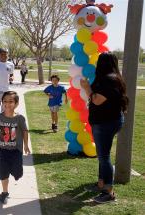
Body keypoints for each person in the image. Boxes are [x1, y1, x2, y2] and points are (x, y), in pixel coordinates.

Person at [80, 52, 128, 204]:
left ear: (102, 63)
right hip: (106, 121)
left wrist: (87, 87)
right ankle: (101, 184)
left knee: (104, 157)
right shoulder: (112, 78)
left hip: (106, 123)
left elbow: (97, 100)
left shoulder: (109, 80)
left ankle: (109, 192)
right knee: (102, 154)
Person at [0, 91, 30, 204]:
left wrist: (26, 145)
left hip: (16, 151)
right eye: (5, 101)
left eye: (11, 101)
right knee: (3, 171)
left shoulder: (20, 118)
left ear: (16, 103)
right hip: (3, 150)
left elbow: (25, 131)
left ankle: (15, 173)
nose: (7, 104)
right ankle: (4, 192)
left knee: (18, 173)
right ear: (2, 103)